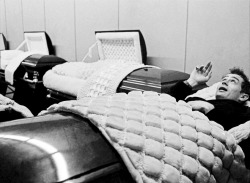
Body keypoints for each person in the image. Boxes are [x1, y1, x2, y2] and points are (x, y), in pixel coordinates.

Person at [168, 62, 250, 168]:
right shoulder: (196, 98)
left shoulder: (242, 112)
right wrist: (192, 81)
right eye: (224, 79)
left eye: (233, 81)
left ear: (243, 97)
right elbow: (166, 101)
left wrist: (208, 110)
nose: (224, 82)